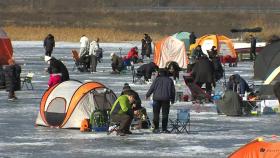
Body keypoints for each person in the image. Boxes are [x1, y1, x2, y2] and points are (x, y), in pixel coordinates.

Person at [146, 69, 175, 133]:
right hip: (166, 99)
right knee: (165, 114)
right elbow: (173, 91)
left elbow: (152, 88)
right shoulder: (170, 80)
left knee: (156, 114)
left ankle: (156, 128)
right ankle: (164, 129)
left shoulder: (156, 80)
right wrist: (172, 99)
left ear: (159, 73)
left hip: (156, 99)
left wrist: (147, 95)